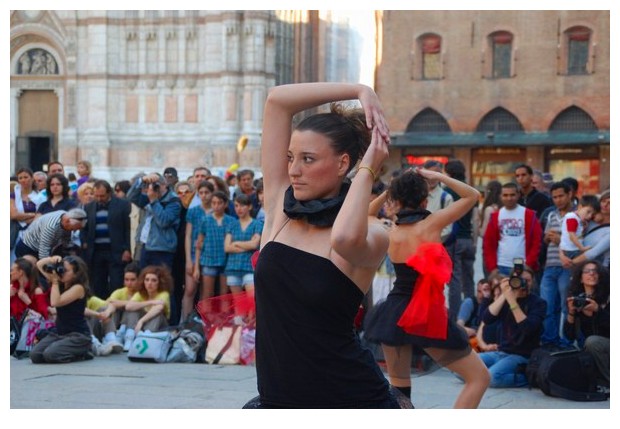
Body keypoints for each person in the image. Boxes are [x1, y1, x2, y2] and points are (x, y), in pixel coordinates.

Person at [243, 82, 409, 409]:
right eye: (291, 157)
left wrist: (369, 168)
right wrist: (358, 90)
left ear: (343, 164)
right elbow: (277, 101)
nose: (293, 170)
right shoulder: (280, 209)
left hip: (348, 398)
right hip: (278, 400)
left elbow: (344, 239)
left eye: (308, 159)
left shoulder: (374, 233)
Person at [364, 167, 489, 408]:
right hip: (424, 313)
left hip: (393, 312)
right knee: (479, 377)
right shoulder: (431, 224)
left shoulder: (390, 228)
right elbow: (472, 195)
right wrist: (440, 177)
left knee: (399, 386)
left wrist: (390, 190)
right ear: (425, 199)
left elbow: (367, 212)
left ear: (396, 200)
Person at [478, 265, 547, 387]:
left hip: (522, 356)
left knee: (493, 378)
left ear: (533, 282)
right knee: (461, 368)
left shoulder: (539, 303)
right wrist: (505, 294)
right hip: (500, 352)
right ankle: (486, 375)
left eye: (528, 280)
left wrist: (512, 302)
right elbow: (487, 319)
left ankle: (530, 377)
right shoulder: (506, 299)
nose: (523, 284)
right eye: (520, 280)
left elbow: (527, 328)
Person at [31, 255, 93, 363]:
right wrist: (52, 260)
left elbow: (55, 302)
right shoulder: (60, 283)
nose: (62, 272)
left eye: (66, 270)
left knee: (50, 354)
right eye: (61, 269)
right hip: (60, 332)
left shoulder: (78, 288)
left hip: (78, 335)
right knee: (35, 355)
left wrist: (54, 282)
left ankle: (82, 352)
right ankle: (66, 349)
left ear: (76, 274)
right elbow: (39, 265)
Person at [81, 180, 132, 299]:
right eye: (96, 195)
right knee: (98, 285)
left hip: (116, 252)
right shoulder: (89, 207)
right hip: (96, 253)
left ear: (109, 193)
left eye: (102, 196)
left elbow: (128, 229)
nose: (99, 198)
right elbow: (83, 227)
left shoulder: (123, 205)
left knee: (116, 284)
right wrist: (84, 242)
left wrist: (127, 249)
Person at [539, 181, 575, 348]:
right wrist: (548, 238)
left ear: (570, 194)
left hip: (567, 267)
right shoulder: (551, 215)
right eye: (554, 197)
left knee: (565, 306)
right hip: (549, 265)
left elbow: (580, 242)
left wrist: (561, 239)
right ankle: (549, 341)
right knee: (546, 305)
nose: (558, 200)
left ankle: (566, 341)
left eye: (561, 196)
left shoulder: (577, 215)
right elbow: (545, 238)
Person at [563, 261, 609, 389]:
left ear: (601, 276)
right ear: (580, 278)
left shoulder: (609, 297)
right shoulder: (577, 300)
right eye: (587, 271)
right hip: (592, 353)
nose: (592, 274)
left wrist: (598, 311)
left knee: (592, 341)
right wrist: (571, 313)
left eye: (595, 271)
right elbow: (569, 337)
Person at [483, 182, 542, 277]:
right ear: (500, 196)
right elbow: (488, 243)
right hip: (501, 265)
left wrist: (529, 263)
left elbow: (537, 241)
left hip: (523, 266)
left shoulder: (529, 215)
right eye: (505, 195)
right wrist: (493, 268)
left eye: (512, 195)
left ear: (518, 195)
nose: (509, 198)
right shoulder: (496, 216)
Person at [443, 159, 477, 321]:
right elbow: (476, 218)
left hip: (454, 240)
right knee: (469, 279)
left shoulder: (448, 191)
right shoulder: (469, 189)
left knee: (454, 280)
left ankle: (455, 317)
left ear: (448, 172)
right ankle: (471, 314)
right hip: (468, 239)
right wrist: (475, 240)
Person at [126, 172, 181, 270]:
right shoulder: (150, 196)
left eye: (157, 186)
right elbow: (130, 197)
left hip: (162, 248)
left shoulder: (173, 200)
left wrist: (154, 201)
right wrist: (141, 180)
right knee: (144, 279)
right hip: (146, 246)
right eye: (150, 186)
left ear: (164, 185)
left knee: (161, 281)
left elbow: (164, 221)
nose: (154, 189)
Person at [224, 193, 263, 323]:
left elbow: (255, 244)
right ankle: (240, 333)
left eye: (242, 205)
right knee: (238, 305)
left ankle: (251, 331)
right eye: (236, 205)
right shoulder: (232, 224)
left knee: (252, 303)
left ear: (250, 207)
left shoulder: (257, 223)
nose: (239, 209)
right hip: (233, 266)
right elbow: (227, 247)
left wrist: (236, 243)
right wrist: (246, 245)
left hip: (249, 267)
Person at [193, 191, 235, 302]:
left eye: (219, 203)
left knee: (224, 294)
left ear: (225, 204)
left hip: (226, 261)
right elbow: (198, 244)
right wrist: (196, 267)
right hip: (208, 260)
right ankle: (205, 318)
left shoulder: (231, 221)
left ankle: (223, 318)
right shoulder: (205, 220)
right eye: (214, 203)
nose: (216, 206)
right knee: (207, 293)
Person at [181, 180, 213, 321]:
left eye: (207, 192)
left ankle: (203, 323)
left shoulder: (217, 210)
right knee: (189, 289)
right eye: (201, 193)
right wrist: (188, 259)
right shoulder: (193, 211)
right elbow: (188, 236)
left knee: (206, 292)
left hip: (210, 253)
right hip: (194, 253)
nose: (204, 196)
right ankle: (185, 321)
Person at [122, 265, 173, 351]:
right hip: (140, 328)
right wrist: (150, 302)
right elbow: (128, 306)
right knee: (133, 310)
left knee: (158, 314)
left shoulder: (164, 294)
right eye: (147, 280)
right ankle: (130, 338)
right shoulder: (140, 294)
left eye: (154, 280)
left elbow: (159, 308)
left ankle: (145, 337)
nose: (149, 283)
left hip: (158, 328)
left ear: (159, 282)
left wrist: (141, 321)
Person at [14, 208, 88, 264]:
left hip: (41, 247)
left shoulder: (66, 216)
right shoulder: (51, 227)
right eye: (73, 228)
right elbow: (43, 251)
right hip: (28, 247)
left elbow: (66, 240)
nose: (73, 231)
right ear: (67, 222)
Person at [566, 189, 609, 268]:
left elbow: (593, 253)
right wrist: (562, 255)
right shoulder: (588, 220)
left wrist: (571, 263)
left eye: (610, 203)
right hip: (578, 266)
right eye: (603, 201)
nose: (605, 205)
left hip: (597, 270)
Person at [11, 167, 45, 258]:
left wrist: (23, 217)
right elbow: (14, 215)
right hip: (17, 233)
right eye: (20, 178)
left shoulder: (39, 196)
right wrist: (33, 215)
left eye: (26, 177)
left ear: (32, 178)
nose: (23, 180)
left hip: (35, 233)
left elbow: (43, 216)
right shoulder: (13, 195)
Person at [558, 194, 599, 260]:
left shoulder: (578, 219)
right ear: (580, 207)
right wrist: (581, 248)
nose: (589, 216)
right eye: (588, 212)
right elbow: (572, 235)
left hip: (572, 249)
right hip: (571, 250)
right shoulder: (572, 218)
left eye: (592, 214)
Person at [457, 278, 491, 350]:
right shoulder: (469, 303)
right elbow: (459, 325)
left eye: (484, 291)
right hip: (471, 338)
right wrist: (466, 330)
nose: (481, 295)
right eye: (479, 291)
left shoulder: (493, 304)